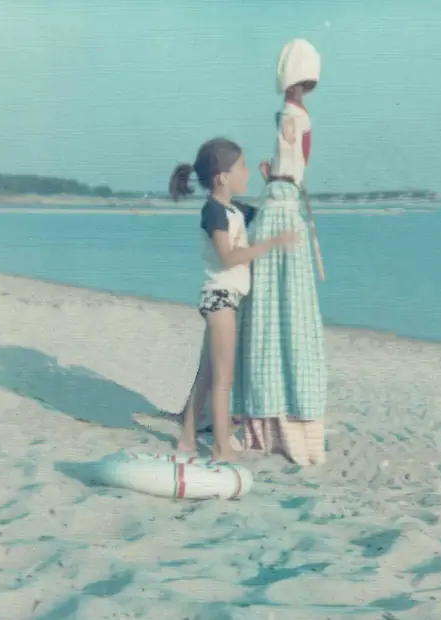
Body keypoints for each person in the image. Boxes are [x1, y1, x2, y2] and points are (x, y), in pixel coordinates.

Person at [168, 137, 297, 462]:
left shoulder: (234, 209)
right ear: (221, 177)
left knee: (209, 375)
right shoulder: (213, 211)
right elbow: (227, 257)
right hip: (220, 298)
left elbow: (267, 212)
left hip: (224, 298)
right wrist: (274, 243)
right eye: (241, 167)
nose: (247, 172)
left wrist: (274, 182)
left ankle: (187, 439)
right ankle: (222, 447)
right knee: (223, 377)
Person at [231, 39, 328, 466]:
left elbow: (290, 156)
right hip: (286, 204)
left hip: (280, 209)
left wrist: (276, 174)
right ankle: (282, 420)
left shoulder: (291, 116)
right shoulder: (299, 115)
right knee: (284, 309)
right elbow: (294, 163)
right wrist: (278, 173)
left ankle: (267, 422)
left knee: (269, 310)